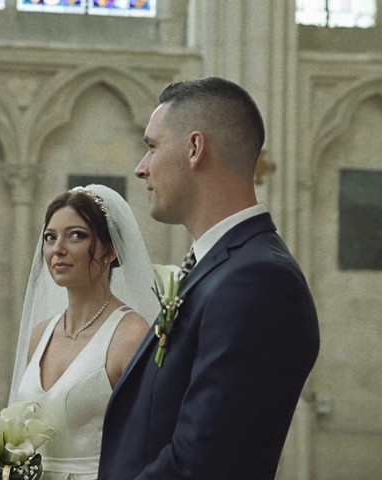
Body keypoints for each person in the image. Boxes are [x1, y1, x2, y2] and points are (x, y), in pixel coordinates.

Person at [97, 77, 320, 479]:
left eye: (151, 147)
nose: (140, 168)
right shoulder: (220, 267)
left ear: (195, 148)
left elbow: (203, 464)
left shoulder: (258, 282)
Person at [7, 184, 161, 480]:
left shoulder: (130, 336)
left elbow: (147, 445)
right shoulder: (40, 335)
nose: (57, 249)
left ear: (111, 249)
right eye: (50, 237)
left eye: (76, 235)